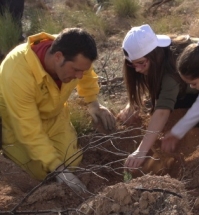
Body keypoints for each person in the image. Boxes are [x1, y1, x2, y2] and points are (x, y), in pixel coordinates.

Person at [0, 28, 116, 193]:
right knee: (42, 172)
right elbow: (29, 129)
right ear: (58, 57)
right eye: (75, 70)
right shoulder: (17, 73)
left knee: (72, 161)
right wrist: (60, 171)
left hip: (54, 116)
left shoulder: (74, 54)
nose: (79, 76)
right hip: (18, 123)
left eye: (82, 70)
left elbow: (87, 73)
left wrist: (93, 103)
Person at [119, 24, 199, 170]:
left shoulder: (171, 71)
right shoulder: (158, 49)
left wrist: (141, 151)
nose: (138, 69)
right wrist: (132, 104)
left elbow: (162, 112)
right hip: (197, 84)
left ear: (153, 55)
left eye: (141, 63)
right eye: (132, 65)